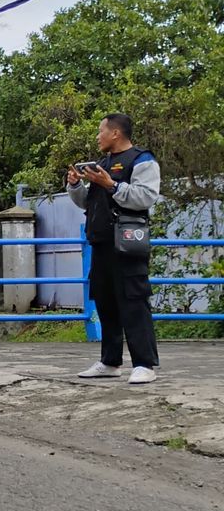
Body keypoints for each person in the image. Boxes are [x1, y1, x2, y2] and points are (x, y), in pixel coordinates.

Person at [67, 113, 161, 384]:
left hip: (128, 242)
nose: (98, 137)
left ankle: (144, 364)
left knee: (134, 301)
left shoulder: (142, 160)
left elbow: (145, 197)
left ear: (115, 133)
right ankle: (110, 361)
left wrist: (111, 184)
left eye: (101, 131)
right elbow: (89, 202)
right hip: (101, 241)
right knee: (106, 303)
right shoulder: (101, 164)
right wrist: (75, 185)